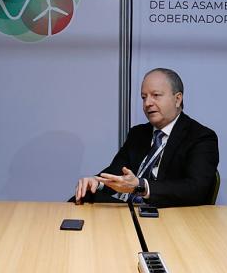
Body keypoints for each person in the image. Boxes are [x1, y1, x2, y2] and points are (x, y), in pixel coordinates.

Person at [74, 68, 219, 207]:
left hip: (167, 214)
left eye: (156, 95)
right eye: (144, 97)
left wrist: (141, 186)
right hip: (128, 210)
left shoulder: (201, 137)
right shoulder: (138, 133)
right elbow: (117, 173)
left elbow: (196, 189)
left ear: (177, 99)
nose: (147, 103)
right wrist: (96, 182)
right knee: (83, 198)